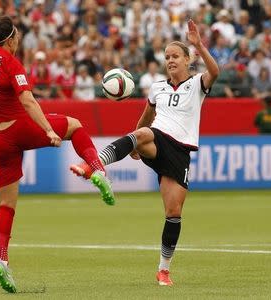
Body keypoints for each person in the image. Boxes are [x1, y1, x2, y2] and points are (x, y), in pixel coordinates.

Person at [0, 15, 115, 293]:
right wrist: (48, 130)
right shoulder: (10, 63)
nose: (18, 41)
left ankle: (1, 260)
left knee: (6, 204)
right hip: (19, 127)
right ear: (9, 40)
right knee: (75, 126)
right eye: (17, 36)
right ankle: (97, 168)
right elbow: (28, 100)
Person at [70, 19, 219, 286]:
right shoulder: (157, 88)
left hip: (180, 151)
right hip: (157, 138)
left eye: (176, 56)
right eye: (167, 57)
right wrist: (135, 144)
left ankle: (164, 270)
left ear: (187, 60)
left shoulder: (197, 84)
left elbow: (215, 72)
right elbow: (144, 121)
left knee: (173, 213)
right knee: (141, 134)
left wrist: (199, 44)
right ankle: (93, 164)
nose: (170, 61)